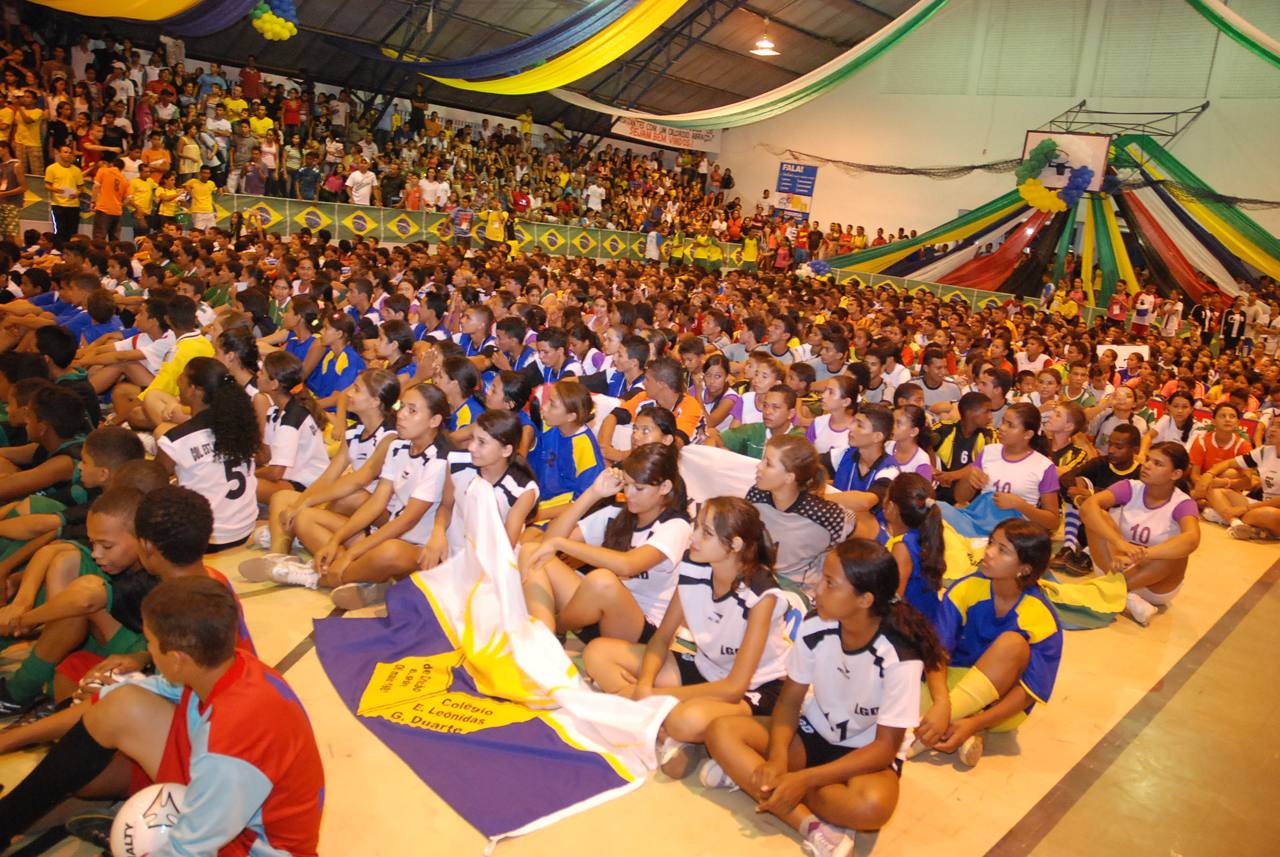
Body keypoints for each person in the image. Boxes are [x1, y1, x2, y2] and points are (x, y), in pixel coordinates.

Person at [0, 576, 324, 855]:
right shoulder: (232, 665)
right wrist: (109, 690)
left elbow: (190, 850)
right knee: (121, 704)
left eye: (151, 643)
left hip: (252, 847)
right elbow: (147, 692)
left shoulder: (228, 746)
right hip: (232, 804)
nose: (148, 652)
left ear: (179, 659)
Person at [702, 538, 945, 856]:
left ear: (864, 599)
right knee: (721, 731)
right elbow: (790, 701)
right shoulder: (815, 626)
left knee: (871, 809)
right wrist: (777, 758)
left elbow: (885, 748)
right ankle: (810, 825)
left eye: (830, 583)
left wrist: (804, 779)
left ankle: (758, 781)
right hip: (813, 734)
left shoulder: (899, 656)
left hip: (866, 754)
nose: (817, 589)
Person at [583, 497, 793, 778]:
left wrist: (653, 695)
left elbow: (733, 687)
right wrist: (644, 685)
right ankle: (669, 731)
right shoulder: (694, 566)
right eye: (696, 527)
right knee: (598, 653)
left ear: (735, 545)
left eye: (706, 533)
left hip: (754, 689)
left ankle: (675, 728)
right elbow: (661, 638)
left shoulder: (762, 595)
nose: (693, 537)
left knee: (685, 720)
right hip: (705, 669)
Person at [243, 383, 452, 608]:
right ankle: (365, 579)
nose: (401, 415)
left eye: (412, 411)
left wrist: (350, 554)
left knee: (389, 551)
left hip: (417, 549)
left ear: (434, 421)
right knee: (305, 518)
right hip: (386, 534)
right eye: (402, 407)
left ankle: (314, 576)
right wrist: (335, 541)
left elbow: (406, 521)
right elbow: (377, 501)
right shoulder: (398, 447)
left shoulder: (439, 460)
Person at [914, 519, 1062, 768]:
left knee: (1013, 644)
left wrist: (976, 722)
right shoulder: (965, 589)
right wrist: (941, 702)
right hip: (950, 685)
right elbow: (936, 653)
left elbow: (1029, 693)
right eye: (991, 543)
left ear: (1025, 569)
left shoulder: (1041, 617)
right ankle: (955, 727)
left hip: (1001, 707)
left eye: (1002, 550)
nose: (989, 552)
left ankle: (924, 736)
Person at [520, 443, 692, 644]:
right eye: (626, 484)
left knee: (602, 581)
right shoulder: (617, 513)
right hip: (595, 612)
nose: (629, 494)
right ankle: (543, 635)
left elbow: (628, 565)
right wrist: (592, 494)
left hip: (641, 628)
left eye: (639, 488)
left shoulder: (676, 526)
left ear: (665, 487)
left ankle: (553, 630)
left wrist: (562, 544)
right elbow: (548, 544)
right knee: (531, 551)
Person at [264, 368, 400, 554]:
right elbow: (328, 476)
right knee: (282, 497)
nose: (349, 393)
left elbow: (358, 480)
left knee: (351, 496)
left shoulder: (390, 437)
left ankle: (307, 532)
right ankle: (278, 555)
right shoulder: (354, 432)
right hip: (351, 507)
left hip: (382, 514)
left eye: (356, 389)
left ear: (375, 401)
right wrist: (300, 503)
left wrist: (305, 504)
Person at [1081, 442, 1202, 624]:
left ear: (1175, 474)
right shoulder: (1130, 487)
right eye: (1147, 459)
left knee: (1178, 550)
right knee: (1098, 515)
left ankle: (1111, 590)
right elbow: (1088, 507)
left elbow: (1192, 540)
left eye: (1157, 464)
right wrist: (1120, 543)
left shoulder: (1182, 503)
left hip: (1154, 583)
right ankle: (1124, 596)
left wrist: (1143, 554)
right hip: (1115, 566)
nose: (1147, 465)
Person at [155, 357, 260, 551]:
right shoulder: (240, 427)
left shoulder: (176, 439)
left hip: (206, 538)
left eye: (182, 377)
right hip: (245, 528)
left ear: (195, 389)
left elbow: (154, 482)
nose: (178, 380)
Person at [256, 351, 331, 501]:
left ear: (274, 384)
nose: (258, 374)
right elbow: (267, 454)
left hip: (309, 484)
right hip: (291, 477)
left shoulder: (291, 419)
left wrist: (250, 474)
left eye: (262, 372)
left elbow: (276, 472)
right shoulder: (274, 411)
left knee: (249, 486)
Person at [1199, 420, 1280, 541]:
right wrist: (1209, 474)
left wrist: (1246, 508)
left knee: (1270, 515)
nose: (1272, 429)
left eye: (1279, 426)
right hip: (1261, 505)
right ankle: (1235, 523)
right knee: (1213, 489)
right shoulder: (1264, 451)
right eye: (1272, 425)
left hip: (1272, 512)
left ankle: (1222, 515)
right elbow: (1229, 463)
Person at [884, 473, 946, 630]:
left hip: (915, 630)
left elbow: (892, 601)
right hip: (927, 622)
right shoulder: (922, 534)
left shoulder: (903, 548)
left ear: (891, 507)